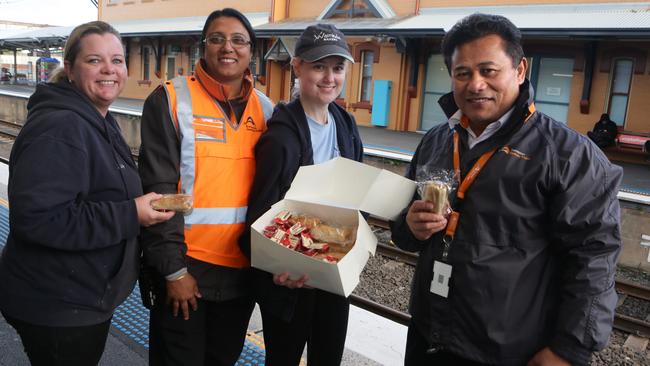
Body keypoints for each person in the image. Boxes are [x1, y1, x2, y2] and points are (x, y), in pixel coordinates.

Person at [390, 13, 622, 366]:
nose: (475, 84)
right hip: (428, 334)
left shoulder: (569, 155)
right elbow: (401, 228)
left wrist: (568, 349)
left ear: (520, 70)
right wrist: (410, 226)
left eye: (489, 70)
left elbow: (594, 257)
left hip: (509, 351)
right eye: (462, 73)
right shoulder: (437, 140)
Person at [0, 21, 173, 366]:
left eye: (117, 60)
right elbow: (40, 219)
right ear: (70, 69)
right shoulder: (61, 127)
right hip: (58, 304)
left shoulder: (97, 118)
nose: (109, 69)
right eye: (95, 60)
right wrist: (131, 213)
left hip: (75, 294)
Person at [138, 8, 274, 366]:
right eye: (217, 38)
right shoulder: (170, 100)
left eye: (238, 40)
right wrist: (173, 271)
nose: (227, 47)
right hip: (186, 270)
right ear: (203, 47)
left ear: (251, 52)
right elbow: (159, 190)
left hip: (241, 275)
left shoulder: (267, 110)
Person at [244, 23, 363, 366]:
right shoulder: (281, 138)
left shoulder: (345, 125)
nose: (329, 77)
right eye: (319, 66)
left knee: (328, 358)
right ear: (297, 67)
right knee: (283, 358)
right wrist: (275, 268)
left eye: (337, 68)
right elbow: (260, 213)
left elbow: (355, 193)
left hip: (334, 271)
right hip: (291, 281)